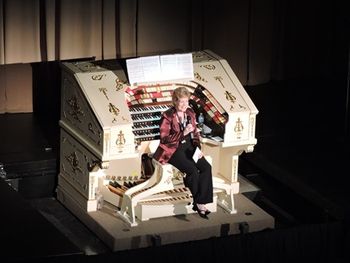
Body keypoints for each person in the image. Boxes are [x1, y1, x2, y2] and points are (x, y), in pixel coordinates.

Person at [153, 87, 213, 219]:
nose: (184, 105)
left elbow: (196, 135)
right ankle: (200, 204)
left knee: (206, 167)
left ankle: (200, 200)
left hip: (190, 147)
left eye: (186, 101)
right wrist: (183, 133)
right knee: (192, 169)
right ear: (175, 101)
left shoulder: (190, 113)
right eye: (181, 102)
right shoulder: (167, 116)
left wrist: (198, 149)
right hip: (173, 150)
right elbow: (164, 139)